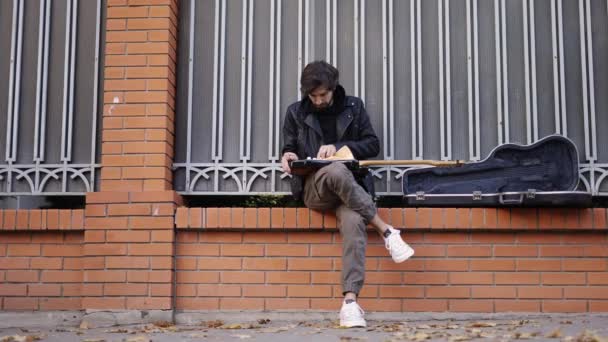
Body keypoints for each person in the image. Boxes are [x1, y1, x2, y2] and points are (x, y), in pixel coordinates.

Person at [281, 61, 415, 328]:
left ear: (333, 88)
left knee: (354, 222)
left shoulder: (353, 107)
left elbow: (372, 144)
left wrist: (339, 146)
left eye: (323, 95)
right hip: (315, 189)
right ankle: (387, 230)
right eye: (313, 96)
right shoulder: (295, 112)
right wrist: (288, 156)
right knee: (335, 170)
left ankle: (350, 304)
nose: (318, 101)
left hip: (350, 191)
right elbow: (288, 149)